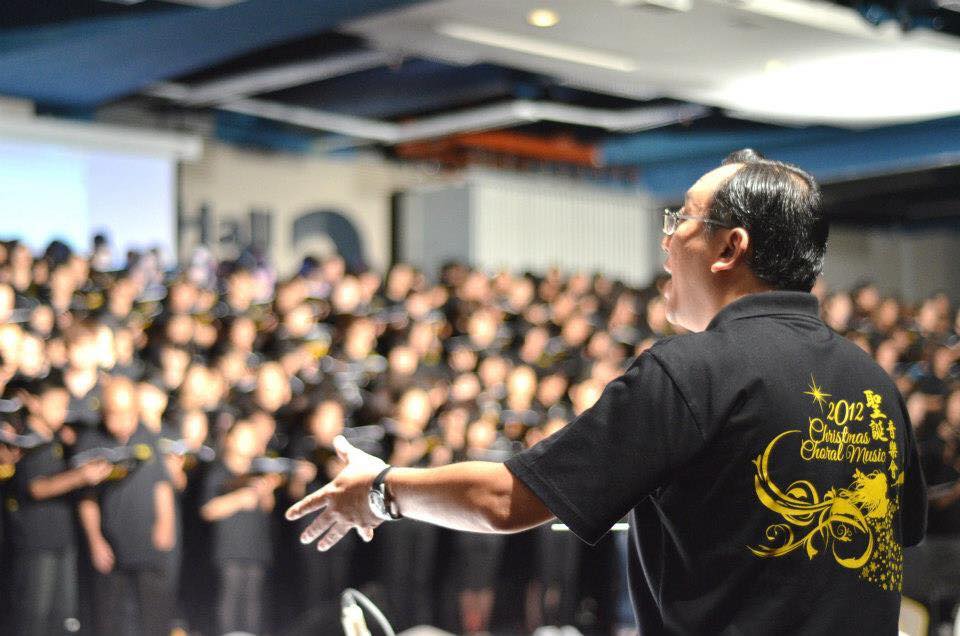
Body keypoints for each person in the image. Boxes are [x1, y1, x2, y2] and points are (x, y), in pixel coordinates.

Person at [287, 149, 928, 634]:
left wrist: (380, 491)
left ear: (731, 248)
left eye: (683, 219)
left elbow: (507, 500)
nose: (667, 239)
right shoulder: (875, 384)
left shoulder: (692, 371)